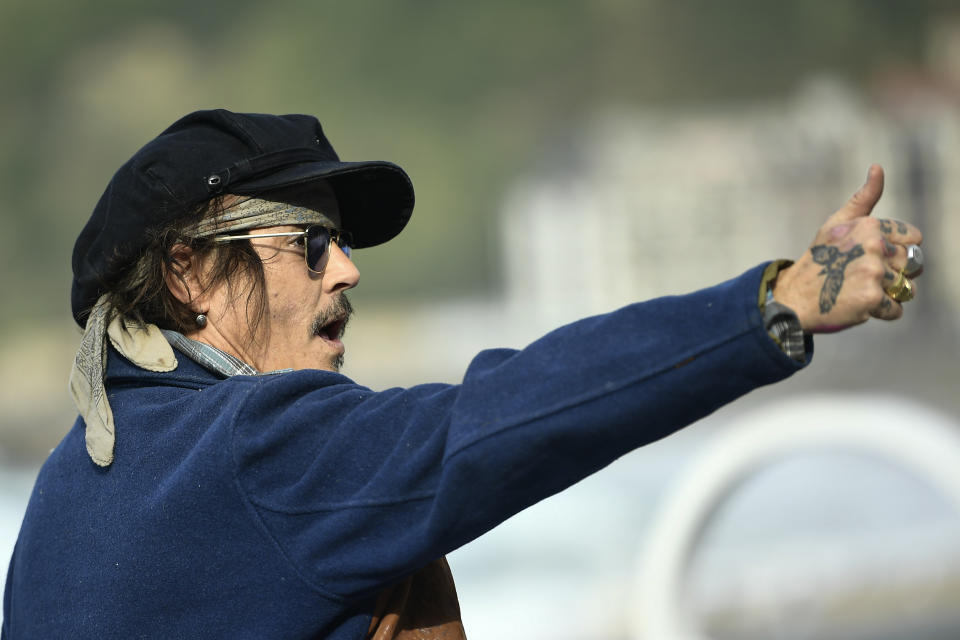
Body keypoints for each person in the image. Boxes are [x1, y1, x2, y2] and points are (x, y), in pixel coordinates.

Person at [2, 109, 922, 639]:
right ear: (189, 276)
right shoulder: (260, 452)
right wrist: (779, 302)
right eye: (310, 245)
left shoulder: (62, 493)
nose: (348, 270)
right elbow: (512, 414)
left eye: (344, 244)